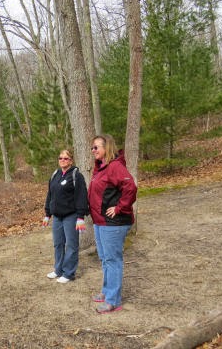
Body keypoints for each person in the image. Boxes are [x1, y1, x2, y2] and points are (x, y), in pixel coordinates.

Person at [88, 134, 137, 314]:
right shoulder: (100, 168)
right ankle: (107, 291)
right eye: (92, 148)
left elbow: (130, 187)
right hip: (100, 221)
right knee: (105, 258)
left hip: (113, 223)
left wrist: (119, 208)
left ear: (106, 147)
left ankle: (113, 301)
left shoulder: (115, 166)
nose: (93, 151)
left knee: (112, 260)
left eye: (96, 147)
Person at [42, 149, 89, 283]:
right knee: (58, 244)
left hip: (71, 216)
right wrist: (47, 214)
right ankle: (58, 270)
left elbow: (82, 196)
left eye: (66, 158)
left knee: (72, 245)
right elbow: (50, 195)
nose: (63, 160)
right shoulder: (55, 174)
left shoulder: (76, 176)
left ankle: (69, 273)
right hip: (57, 217)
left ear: (71, 161)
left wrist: (80, 217)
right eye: (60, 158)